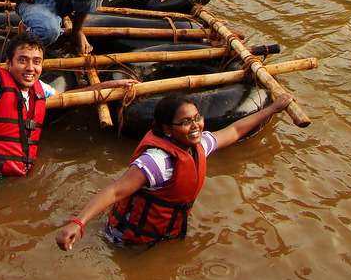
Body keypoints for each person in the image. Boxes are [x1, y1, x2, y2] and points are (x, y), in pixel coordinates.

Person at [55, 92, 293, 250]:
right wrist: (78, 222)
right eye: (186, 122)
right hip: (128, 239)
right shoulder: (157, 161)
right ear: (167, 130)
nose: (195, 125)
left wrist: (272, 108)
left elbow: (234, 131)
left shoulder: (198, 145)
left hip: (165, 230)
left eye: (197, 118)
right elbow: (116, 191)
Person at [0, 0, 134, 182]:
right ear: (8, 63)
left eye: (36, 62)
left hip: (18, 180)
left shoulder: (39, 90)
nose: (30, 68)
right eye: (23, 60)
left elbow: (76, 95)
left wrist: (115, 84)